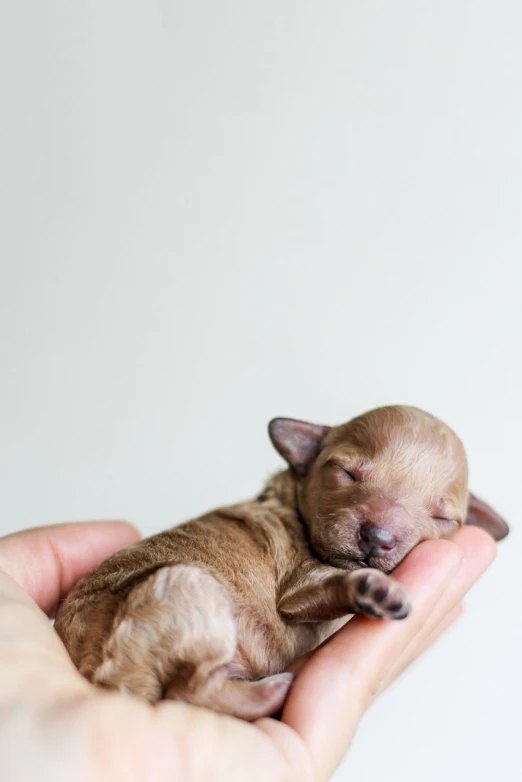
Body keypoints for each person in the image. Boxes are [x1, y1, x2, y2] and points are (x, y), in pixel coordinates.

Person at [0, 520, 495, 782]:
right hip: (150, 629)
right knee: (191, 595)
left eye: (438, 514)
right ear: (306, 454)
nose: (383, 529)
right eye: (349, 474)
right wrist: (347, 589)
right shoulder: (284, 530)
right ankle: (210, 688)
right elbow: (299, 597)